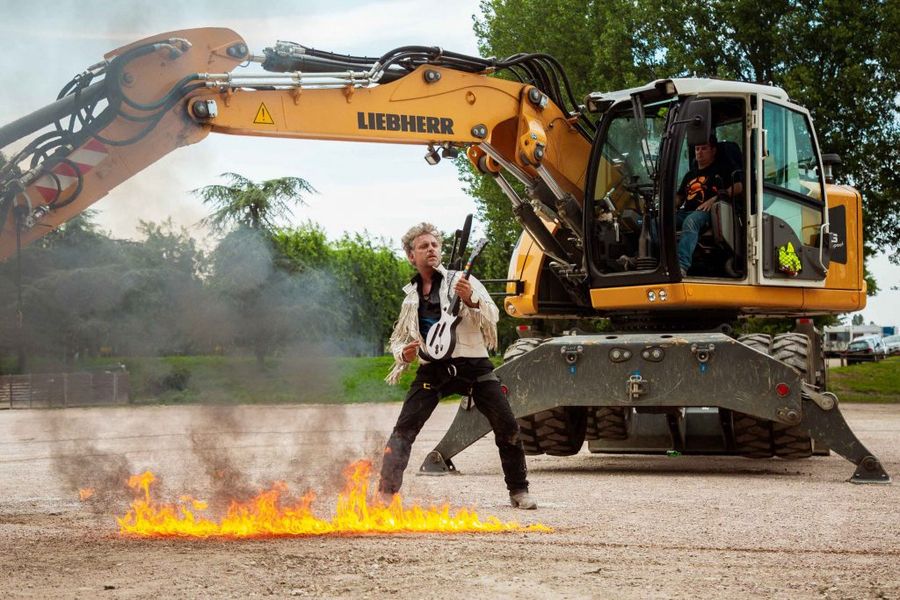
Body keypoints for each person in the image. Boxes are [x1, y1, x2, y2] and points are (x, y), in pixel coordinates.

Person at [378, 222, 537, 510]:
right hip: (433, 369)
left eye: (434, 244)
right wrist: (405, 354)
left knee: (507, 425)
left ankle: (519, 490)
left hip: (473, 365)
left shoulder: (462, 280)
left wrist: (471, 300)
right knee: (403, 430)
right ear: (411, 256)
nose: (431, 249)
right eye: (423, 246)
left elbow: (493, 316)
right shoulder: (411, 298)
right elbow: (399, 339)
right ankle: (386, 495)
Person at [675, 134, 742, 276]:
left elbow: (739, 186)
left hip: (708, 213)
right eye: (697, 149)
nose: (699, 152)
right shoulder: (689, 175)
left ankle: (681, 265)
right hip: (686, 211)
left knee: (691, 221)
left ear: (713, 151)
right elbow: (679, 198)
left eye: (704, 148)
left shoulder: (721, 171)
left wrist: (715, 199)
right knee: (657, 222)